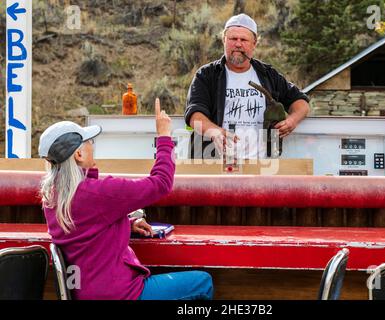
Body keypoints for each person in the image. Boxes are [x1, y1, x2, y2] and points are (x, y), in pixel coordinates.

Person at [38, 98, 213, 300]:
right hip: (119, 294)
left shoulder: (51, 196)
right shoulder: (97, 193)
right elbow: (161, 183)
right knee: (202, 282)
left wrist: (128, 224)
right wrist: (164, 136)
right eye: (89, 142)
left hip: (86, 293)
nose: (92, 147)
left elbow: (85, 229)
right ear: (78, 154)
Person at [185, 13, 310, 159]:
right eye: (233, 38)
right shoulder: (206, 75)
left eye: (243, 39)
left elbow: (301, 103)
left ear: (254, 44)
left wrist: (292, 121)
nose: (238, 44)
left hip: (261, 166)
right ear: (224, 40)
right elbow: (195, 114)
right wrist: (214, 131)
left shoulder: (268, 75)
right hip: (214, 164)